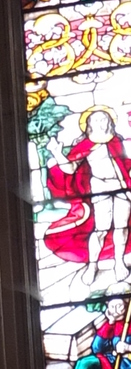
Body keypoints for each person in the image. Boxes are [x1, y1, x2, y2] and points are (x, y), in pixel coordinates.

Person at [46, 108, 131, 287]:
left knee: (121, 227)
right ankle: (92, 266)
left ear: (110, 122)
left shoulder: (116, 141)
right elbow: (70, 169)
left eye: (103, 119)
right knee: (101, 229)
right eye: (96, 120)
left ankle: (119, 262)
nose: (100, 123)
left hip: (121, 186)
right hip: (99, 187)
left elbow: (123, 164)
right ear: (89, 125)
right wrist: (57, 153)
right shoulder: (85, 144)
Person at [50, 297, 131, 369]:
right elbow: (97, 348)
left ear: (126, 307)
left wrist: (128, 347)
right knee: (83, 362)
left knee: (87, 363)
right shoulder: (115, 324)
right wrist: (110, 322)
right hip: (114, 363)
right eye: (112, 306)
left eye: (119, 306)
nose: (114, 309)